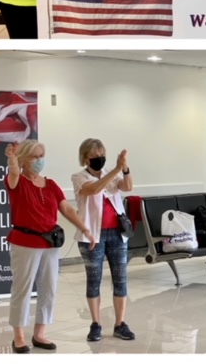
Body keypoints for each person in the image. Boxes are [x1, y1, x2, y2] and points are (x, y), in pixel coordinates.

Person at [4, 140, 95, 353]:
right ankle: (18, 336)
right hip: (25, 243)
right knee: (22, 289)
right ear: (24, 159)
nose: (39, 160)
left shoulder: (51, 185)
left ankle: (40, 333)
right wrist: (12, 161)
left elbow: (67, 210)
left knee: (49, 288)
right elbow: (14, 174)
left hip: (50, 244)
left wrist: (85, 229)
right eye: (34, 156)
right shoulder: (18, 182)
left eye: (41, 155)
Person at [71, 139, 135, 342]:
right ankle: (96, 324)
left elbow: (128, 187)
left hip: (117, 234)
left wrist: (124, 169)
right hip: (92, 236)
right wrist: (115, 169)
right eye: (95, 157)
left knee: (120, 279)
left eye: (102, 155)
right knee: (94, 280)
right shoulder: (79, 177)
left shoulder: (112, 173)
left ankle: (120, 324)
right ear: (84, 159)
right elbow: (93, 189)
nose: (99, 159)